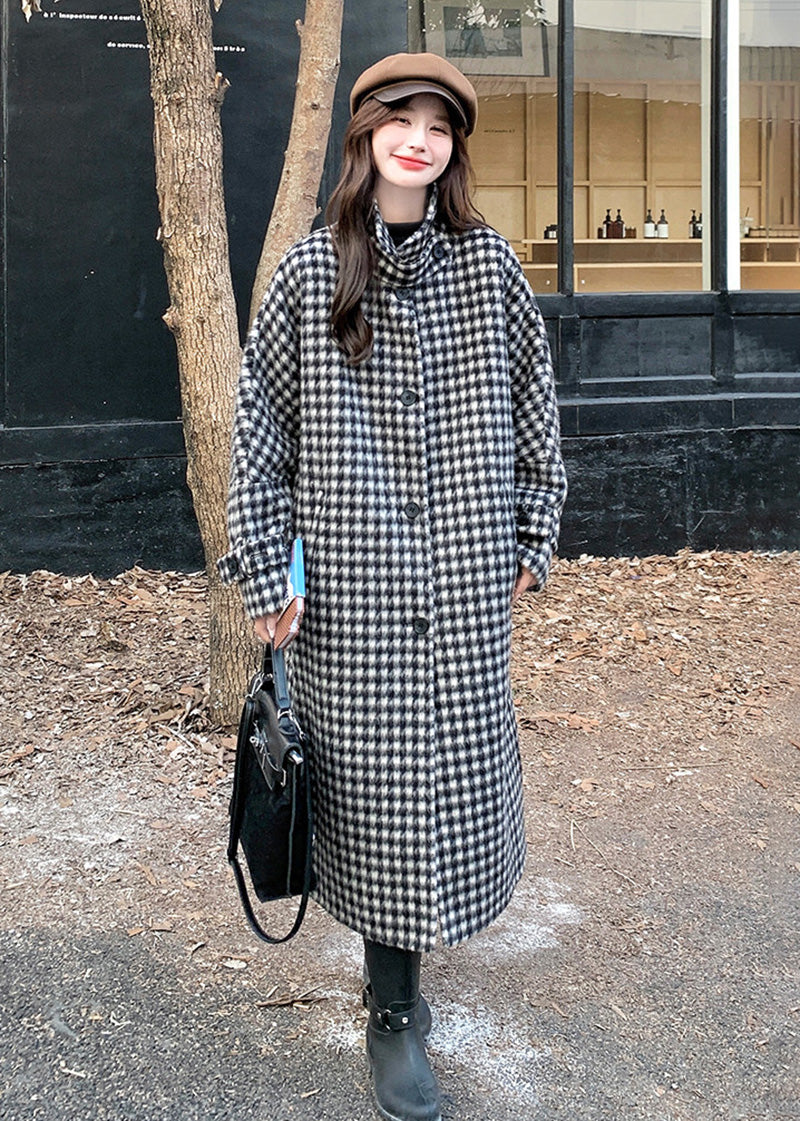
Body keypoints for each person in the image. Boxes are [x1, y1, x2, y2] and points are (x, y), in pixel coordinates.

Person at [218, 51, 567, 1121]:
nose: (418, 140)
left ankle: (404, 980)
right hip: (350, 590)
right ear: (365, 130)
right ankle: (392, 1005)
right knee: (374, 793)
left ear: (455, 147)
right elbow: (260, 436)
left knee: (449, 781)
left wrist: (530, 529)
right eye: (400, 119)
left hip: (460, 583)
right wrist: (265, 566)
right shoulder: (306, 271)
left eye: (439, 125)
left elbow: (534, 408)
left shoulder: (489, 267)